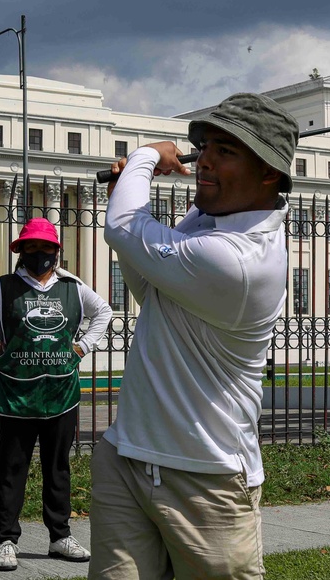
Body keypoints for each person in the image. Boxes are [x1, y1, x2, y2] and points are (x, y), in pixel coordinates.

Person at [91, 92, 297, 579]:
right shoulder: (210, 224)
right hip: (128, 457)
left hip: (206, 479)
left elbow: (122, 227)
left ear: (268, 172)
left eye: (225, 152)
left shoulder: (239, 260)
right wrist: (126, 192)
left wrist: (146, 155)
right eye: (203, 147)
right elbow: (149, 286)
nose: (202, 161)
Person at [0, 217, 113, 572]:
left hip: (60, 391)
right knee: (12, 468)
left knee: (58, 467)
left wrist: (83, 346)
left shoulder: (72, 287)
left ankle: (59, 537)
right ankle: (7, 540)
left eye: (45, 247)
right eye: (31, 247)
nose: (38, 253)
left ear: (56, 251)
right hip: (16, 392)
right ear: (20, 251)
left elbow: (103, 311)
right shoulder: (3, 287)